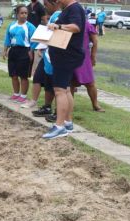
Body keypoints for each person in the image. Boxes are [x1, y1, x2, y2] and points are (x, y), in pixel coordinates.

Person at [42, 0, 86, 139]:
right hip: (63, 54)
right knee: (66, 89)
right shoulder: (69, 8)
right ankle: (68, 122)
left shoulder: (74, 8)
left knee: (59, 90)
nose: (57, 1)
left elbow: (76, 27)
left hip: (66, 56)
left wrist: (58, 26)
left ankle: (59, 126)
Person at [22, 0, 61, 110]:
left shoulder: (59, 16)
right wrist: (42, 46)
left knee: (51, 83)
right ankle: (37, 102)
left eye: (46, 5)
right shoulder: (53, 16)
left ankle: (50, 107)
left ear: (55, 3)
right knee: (38, 77)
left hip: (54, 55)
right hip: (46, 52)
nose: (45, 8)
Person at [3, 4, 36, 104]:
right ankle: (16, 93)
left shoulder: (30, 26)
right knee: (13, 74)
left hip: (24, 52)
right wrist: (5, 50)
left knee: (23, 75)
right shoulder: (11, 25)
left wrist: (31, 51)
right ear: (17, 14)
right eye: (22, 13)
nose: (24, 15)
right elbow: (7, 38)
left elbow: (34, 40)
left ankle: (23, 95)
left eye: (26, 13)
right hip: (13, 51)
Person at [71, 20, 104, 112]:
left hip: (84, 58)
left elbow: (95, 41)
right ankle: (70, 105)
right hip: (69, 56)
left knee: (90, 82)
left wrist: (93, 56)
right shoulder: (67, 23)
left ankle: (95, 104)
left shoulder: (87, 24)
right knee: (70, 83)